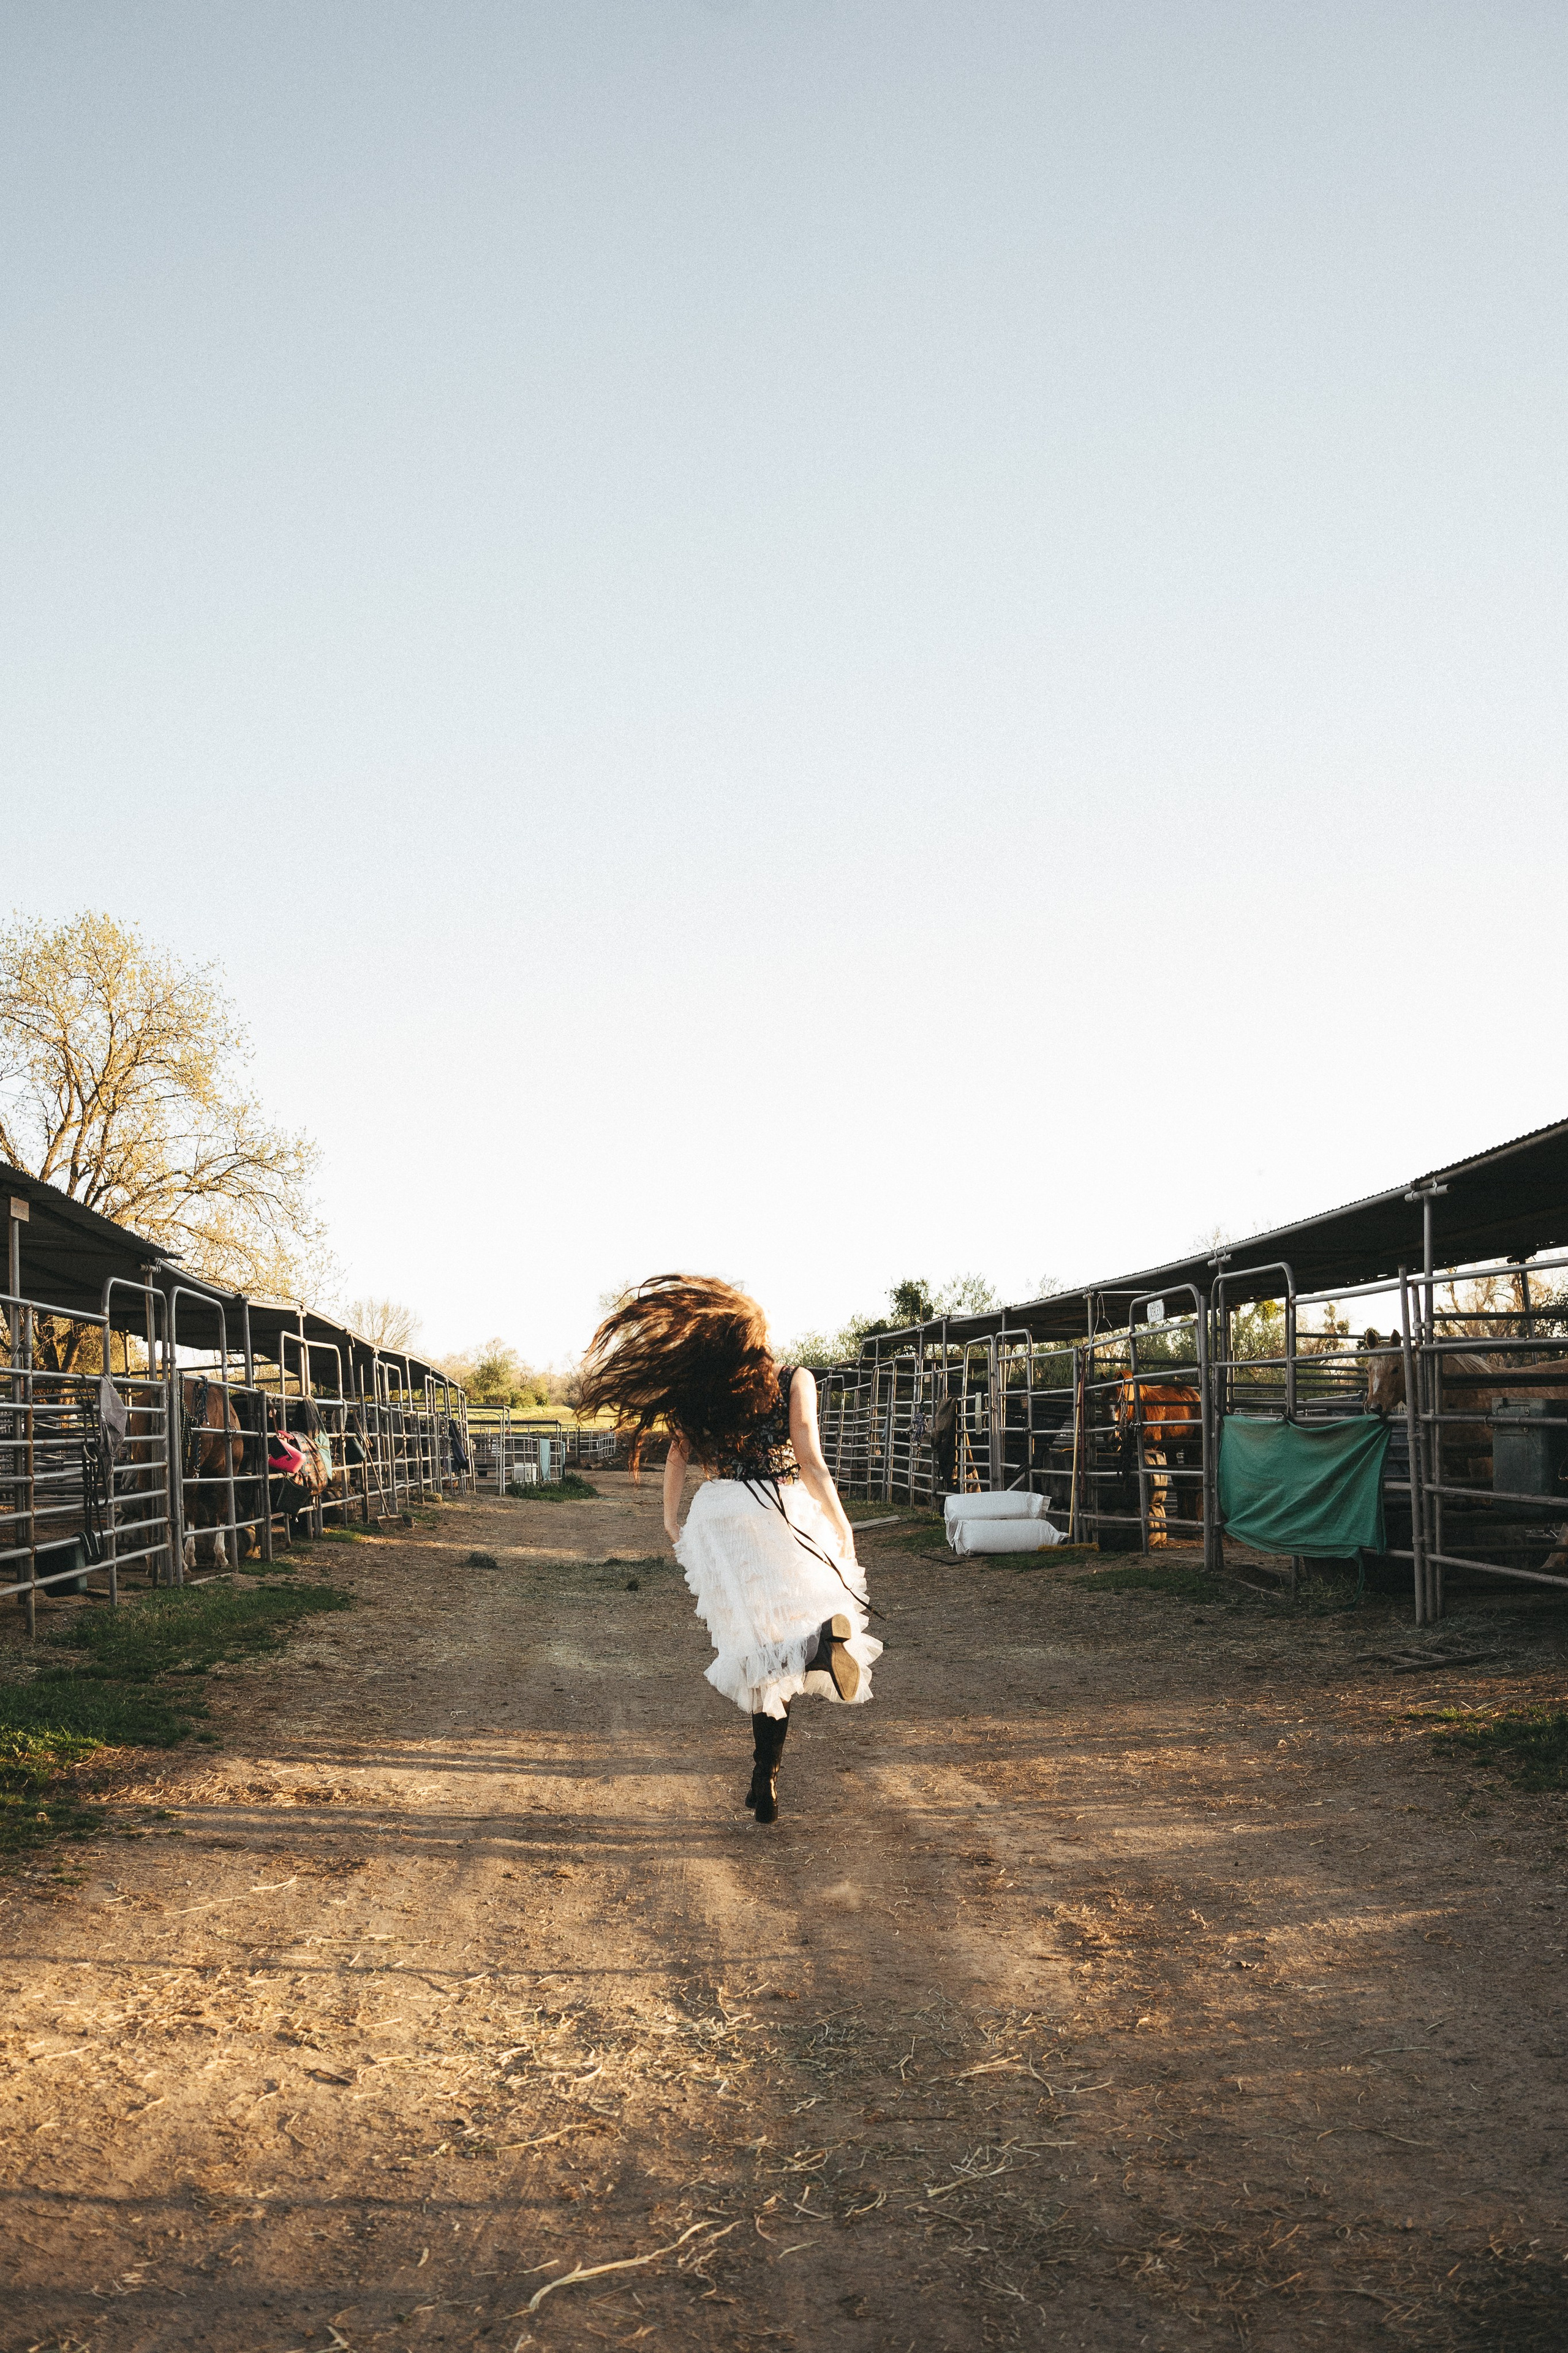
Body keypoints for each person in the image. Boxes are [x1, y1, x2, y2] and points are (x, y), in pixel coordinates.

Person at [576, 1275, 880, 1824]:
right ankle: (814, 1653)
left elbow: (677, 1456)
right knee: (789, 1631)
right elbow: (810, 1460)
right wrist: (842, 1523)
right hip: (782, 1509)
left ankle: (765, 1774)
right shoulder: (795, 1378)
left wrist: (671, 1519)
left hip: (723, 1518)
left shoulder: (705, 1389)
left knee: (757, 1646)